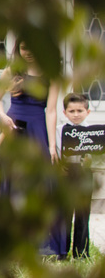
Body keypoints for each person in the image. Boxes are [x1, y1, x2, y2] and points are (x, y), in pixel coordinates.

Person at [0, 41, 62, 256]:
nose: (29, 51)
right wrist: (3, 116)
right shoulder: (11, 71)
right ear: (18, 49)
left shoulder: (53, 74)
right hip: (13, 126)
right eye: (24, 47)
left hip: (38, 127)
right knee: (11, 179)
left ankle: (42, 242)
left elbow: (51, 111)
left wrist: (52, 145)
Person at [58, 93, 93, 259]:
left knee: (82, 214)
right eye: (72, 111)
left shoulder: (94, 132)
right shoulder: (58, 131)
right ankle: (62, 251)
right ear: (64, 112)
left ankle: (81, 253)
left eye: (80, 110)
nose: (76, 114)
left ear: (88, 111)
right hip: (64, 174)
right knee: (63, 214)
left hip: (84, 173)